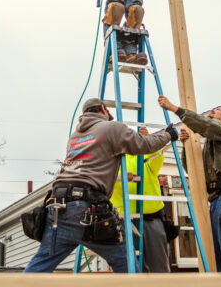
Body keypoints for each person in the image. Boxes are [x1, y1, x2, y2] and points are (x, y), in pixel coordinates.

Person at [24, 98, 178, 273]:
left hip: (57, 208)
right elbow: (144, 144)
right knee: (128, 267)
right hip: (87, 211)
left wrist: (117, 176)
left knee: (38, 268)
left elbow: (87, 167)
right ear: (104, 109)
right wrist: (167, 135)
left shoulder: (75, 137)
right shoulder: (112, 128)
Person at [157, 95, 221, 272]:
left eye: (217, 111)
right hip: (216, 200)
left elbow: (207, 126)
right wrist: (186, 146)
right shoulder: (211, 144)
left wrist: (175, 109)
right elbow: (194, 170)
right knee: (218, 256)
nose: (212, 112)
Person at [110, 127, 171, 272]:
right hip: (123, 220)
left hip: (151, 218)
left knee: (159, 266)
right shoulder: (112, 160)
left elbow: (157, 158)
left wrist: (149, 140)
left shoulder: (144, 157)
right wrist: (121, 177)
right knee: (130, 268)